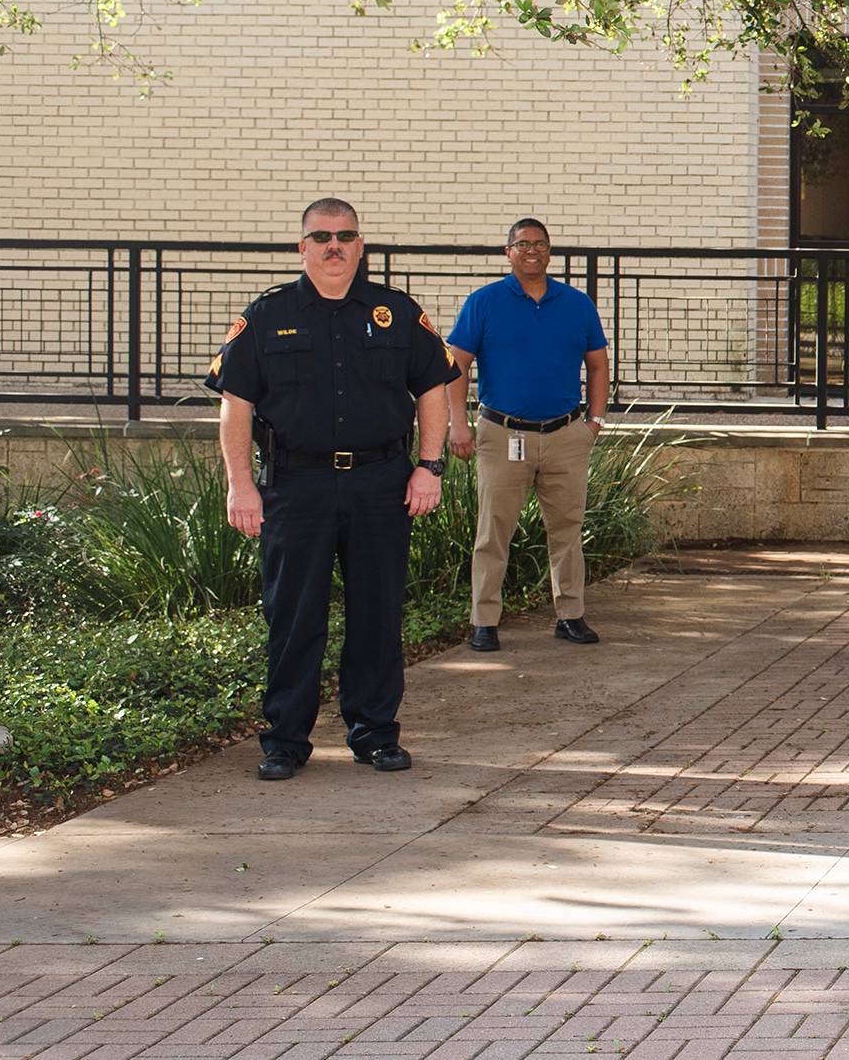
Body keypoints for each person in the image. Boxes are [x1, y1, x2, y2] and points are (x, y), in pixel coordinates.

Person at [208, 198, 458, 780]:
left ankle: (374, 734)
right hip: (297, 485)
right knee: (294, 618)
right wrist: (239, 485)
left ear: (360, 245)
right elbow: (235, 404)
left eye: (345, 235)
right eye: (320, 236)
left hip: (380, 483)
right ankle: (286, 741)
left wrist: (430, 465)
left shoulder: (396, 312)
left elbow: (434, 389)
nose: (333, 246)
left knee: (378, 613)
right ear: (302, 247)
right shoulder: (267, 316)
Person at [444, 217, 612, 652]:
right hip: (503, 435)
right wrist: (457, 423)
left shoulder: (577, 305)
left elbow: (598, 364)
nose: (531, 250)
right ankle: (484, 620)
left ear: (549, 251)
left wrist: (594, 423)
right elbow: (455, 365)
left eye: (539, 243)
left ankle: (570, 615)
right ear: (508, 252)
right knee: (493, 530)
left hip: (564, 434)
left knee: (567, 529)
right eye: (522, 244)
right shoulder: (484, 303)